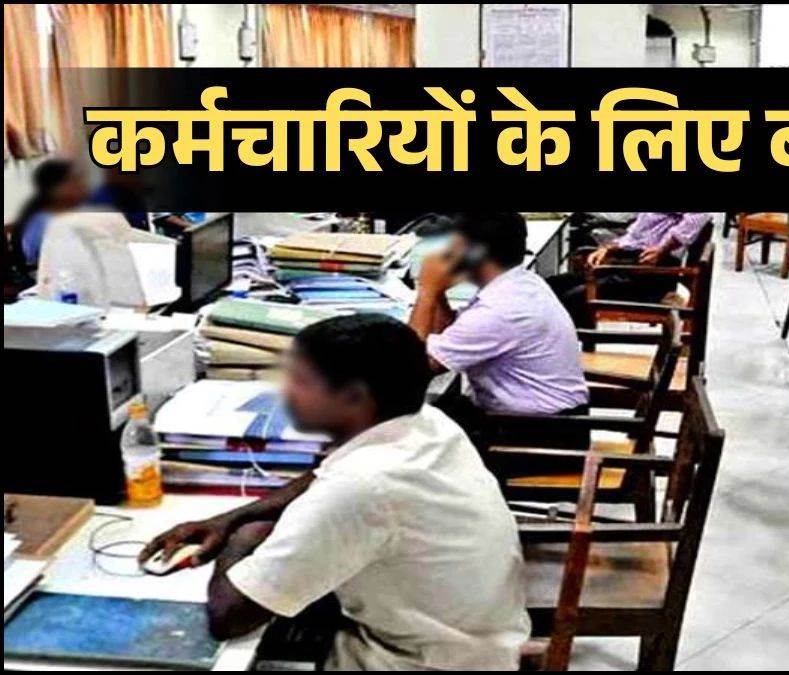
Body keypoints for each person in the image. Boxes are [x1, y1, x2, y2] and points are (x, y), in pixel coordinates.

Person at [138, 315, 530, 670]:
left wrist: (241, 539)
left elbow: (230, 617)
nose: (285, 393)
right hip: (474, 644)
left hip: (410, 662)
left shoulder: (362, 486)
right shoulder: (426, 423)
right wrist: (231, 518)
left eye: (301, 382)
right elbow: (323, 474)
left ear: (354, 398)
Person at [408, 212, 590, 447]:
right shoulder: (520, 283)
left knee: (409, 433)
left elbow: (412, 368)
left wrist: (427, 291)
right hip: (551, 423)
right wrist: (438, 293)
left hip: (535, 439)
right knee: (441, 411)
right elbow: (452, 331)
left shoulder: (499, 310)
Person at [547, 212, 711, 328]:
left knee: (572, 298)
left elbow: (697, 218)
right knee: (551, 286)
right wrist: (609, 248)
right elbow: (635, 237)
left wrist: (662, 250)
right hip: (630, 263)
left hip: (651, 273)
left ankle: (570, 353)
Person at [9, 159, 89, 272]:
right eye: (74, 182)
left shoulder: (70, 213)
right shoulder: (43, 221)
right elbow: (35, 259)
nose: (82, 186)